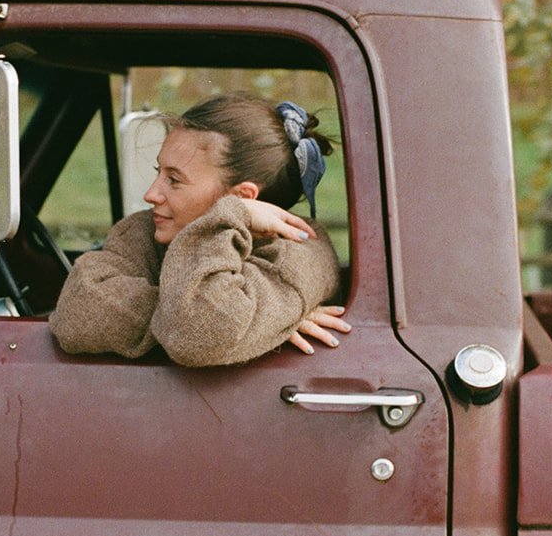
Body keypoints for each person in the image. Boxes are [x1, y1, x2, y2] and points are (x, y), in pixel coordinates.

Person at [49, 94, 351, 366]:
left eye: (175, 180)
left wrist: (229, 218)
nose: (151, 194)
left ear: (242, 199)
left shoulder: (298, 255)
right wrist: (265, 324)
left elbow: (197, 337)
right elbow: (77, 310)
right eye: (159, 173)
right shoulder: (147, 231)